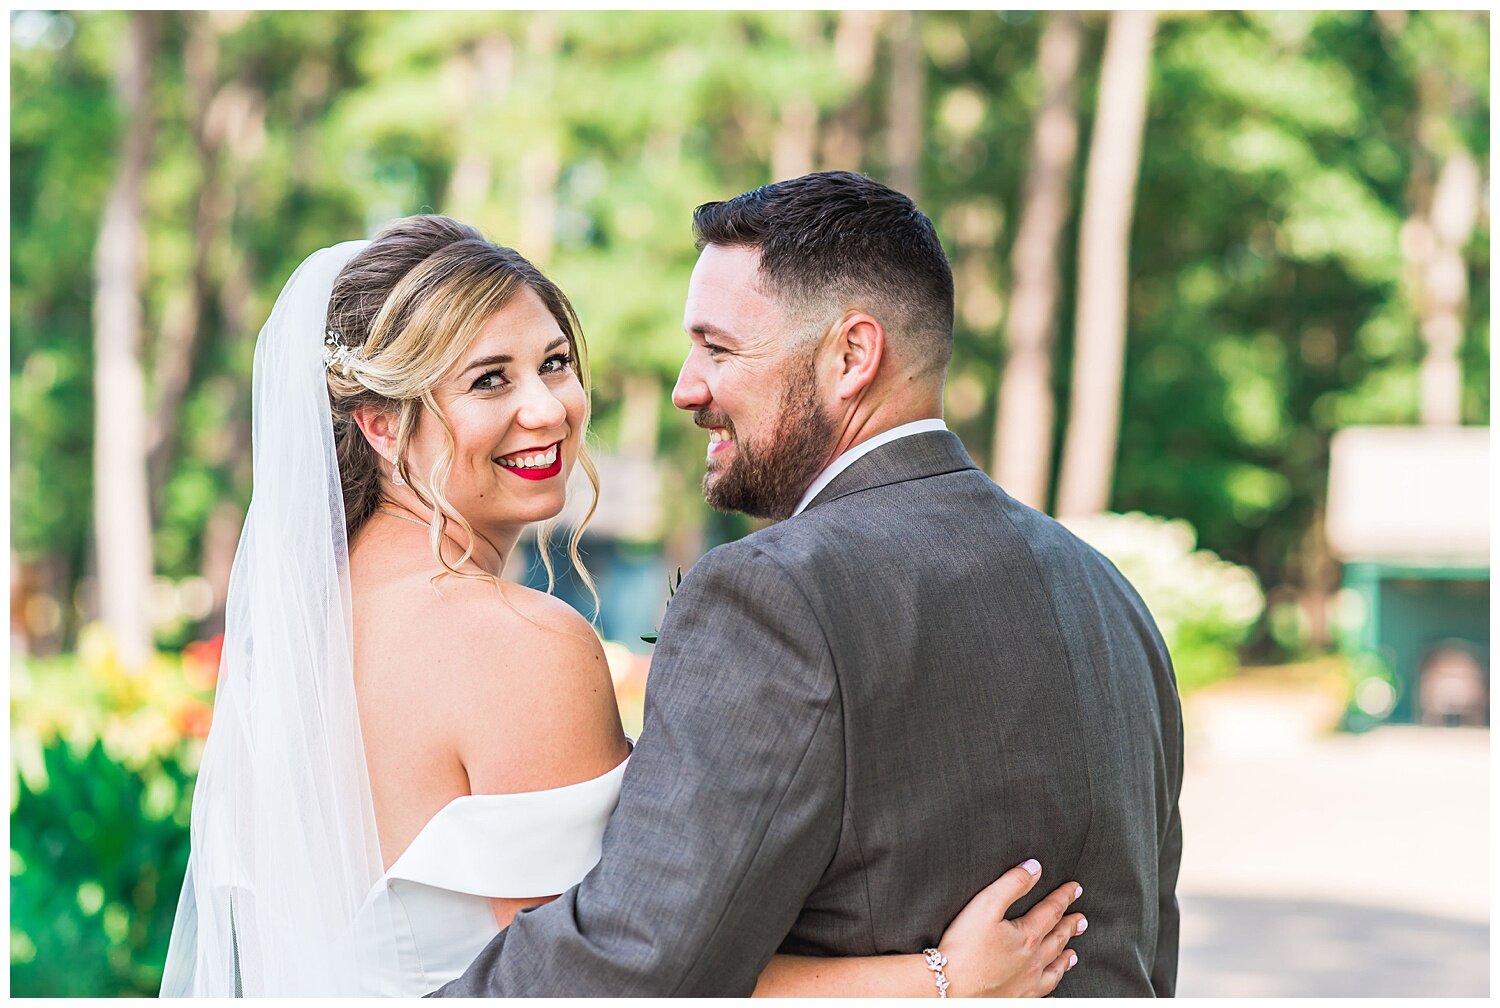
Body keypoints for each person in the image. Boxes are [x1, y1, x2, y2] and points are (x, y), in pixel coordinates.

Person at [161, 214, 1086, 997]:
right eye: (490, 380)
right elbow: (621, 971)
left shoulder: (299, 630)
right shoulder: (513, 643)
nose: (548, 409)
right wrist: (937, 977)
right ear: (380, 422)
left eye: (555, 363)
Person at [433, 172, 1183, 998]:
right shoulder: (1110, 596)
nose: (688, 388)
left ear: (852, 356)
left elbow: (640, 962)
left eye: (718, 349)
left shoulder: (776, 596)